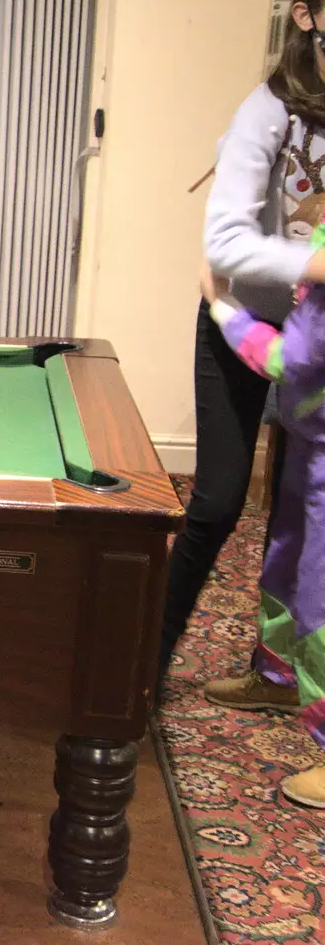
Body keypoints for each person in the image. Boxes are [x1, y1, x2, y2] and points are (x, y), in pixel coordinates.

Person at [164, 0, 325, 680]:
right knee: (218, 505)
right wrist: (312, 266)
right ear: (306, 16)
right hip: (237, 321)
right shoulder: (267, 110)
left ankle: (274, 672)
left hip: (314, 343)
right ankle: (143, 666)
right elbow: (225, 242)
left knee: (296, 520)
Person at [203, 226, 325, 806]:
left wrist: (223, 307)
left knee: (321, 597)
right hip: (310, 441)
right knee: (284, 565)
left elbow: (290, 360)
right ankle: (277, 678)